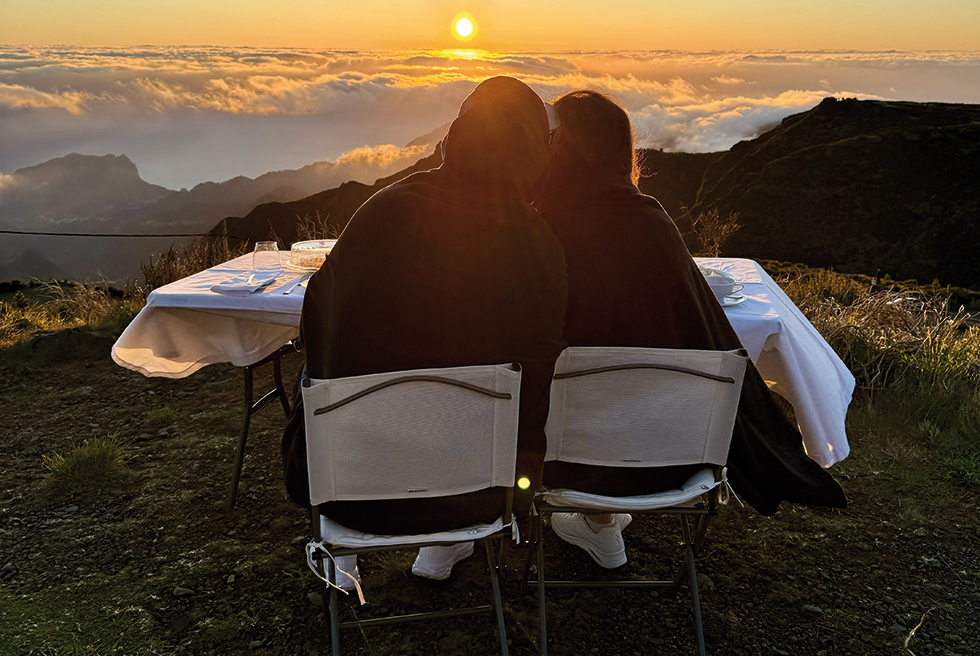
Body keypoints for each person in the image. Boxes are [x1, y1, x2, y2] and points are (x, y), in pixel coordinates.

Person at [534, 90, 846, 568]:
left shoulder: (537, 229)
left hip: (556, 458)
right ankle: (602, 525)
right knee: (631, 377)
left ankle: (592, 523)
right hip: (671, 455)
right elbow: (703, 322)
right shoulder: (651, 222)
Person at [282, 76, 567, 582]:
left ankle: (340, 550)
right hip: (477, 496)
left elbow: (319, 328)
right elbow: (537, 375)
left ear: (455, 135)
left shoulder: (380, 212)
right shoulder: (538, 248)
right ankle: (445, 547)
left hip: (350, 489)